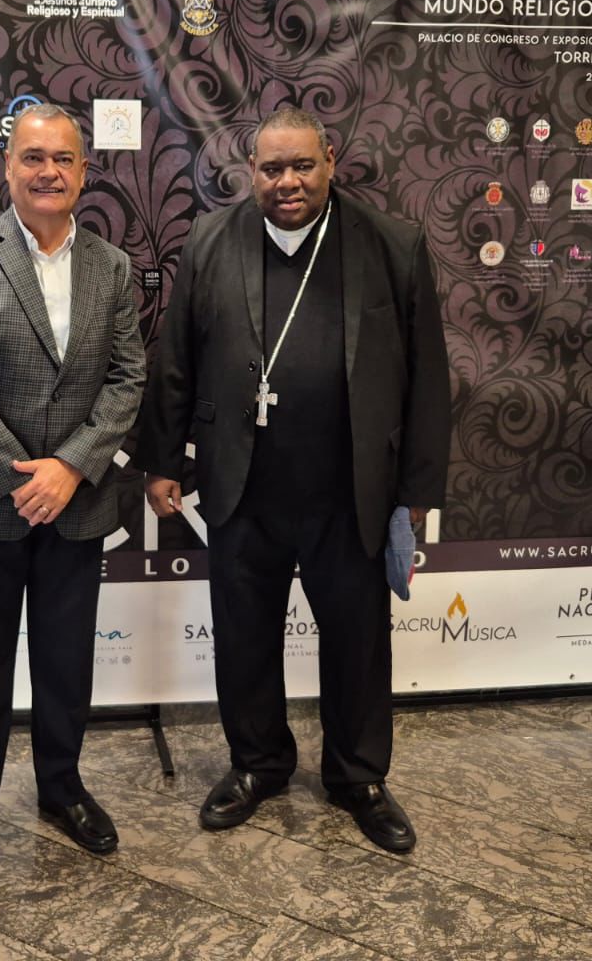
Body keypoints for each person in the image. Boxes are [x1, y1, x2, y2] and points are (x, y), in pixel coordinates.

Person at [135, 106, 449, 854]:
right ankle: (258, 763)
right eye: (272, 168)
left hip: (351, 489)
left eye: (302, 165)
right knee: (243, 636)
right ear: (252, 171)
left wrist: (418, 490)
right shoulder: (211, 239)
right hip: (243, 486)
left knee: (358, 642)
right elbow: (176, 359)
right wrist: (163, 461)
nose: (287, 182)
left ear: (329, 161)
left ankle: (358, 777)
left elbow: (427, 375)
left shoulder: (392, 244)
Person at [0, 103, 145, 886]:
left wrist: (71, 468)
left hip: (77, 503)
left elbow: (128, 379)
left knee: (64, 660)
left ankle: (62, 790)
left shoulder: (113, 267)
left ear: (84, 172)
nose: (48, 171)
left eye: (63, 159)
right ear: (7, 168)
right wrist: (26, 477)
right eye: (33, 157)